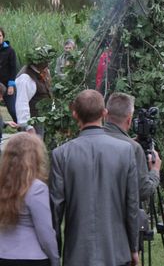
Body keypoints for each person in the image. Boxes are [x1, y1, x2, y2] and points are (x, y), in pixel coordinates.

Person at [50, 89, 139, 266]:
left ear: (75, 114)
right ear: (104, 113)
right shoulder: (125, 150)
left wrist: (55, 253)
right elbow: (132, 205)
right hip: (116, 253)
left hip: (77, 254)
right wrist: (133, 248)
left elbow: (55, 211)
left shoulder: (62, 154)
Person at [0, 133, 60, 266]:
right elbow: (45, 233)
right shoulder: (36, 188)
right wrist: (55, 259)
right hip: (31, 257)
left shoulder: (2, 186)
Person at [103, 92, 162, 203]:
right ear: (129, 120)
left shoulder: (89, 140)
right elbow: (143, 191)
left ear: (105, 114)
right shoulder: (133, 149)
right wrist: (155, 170)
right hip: (120, 212)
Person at [14, 45, 54, 138]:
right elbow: (22, 104)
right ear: (37, 62)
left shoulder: (43, 71)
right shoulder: (25, 78)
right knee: (33, 146)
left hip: (43, 120)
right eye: (46, 62)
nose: (47, 64)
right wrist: (28, 127)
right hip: (33, 123)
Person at [0, 27, 19, 122]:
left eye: (0, 35)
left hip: (7, 85)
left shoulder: (10, 51)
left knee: (13, 110)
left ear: (3, 37)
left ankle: (22, 128)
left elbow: (13, 69)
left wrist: (11, 85)